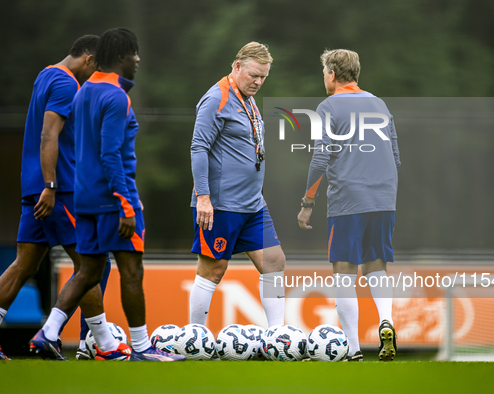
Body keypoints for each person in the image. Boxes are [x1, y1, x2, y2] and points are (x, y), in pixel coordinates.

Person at [28, 28, 184, 362]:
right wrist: (126, 203)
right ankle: (142, 348)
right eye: (134, 53)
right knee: (131, 271)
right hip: (114, 201)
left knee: (87, 271)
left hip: (83, 200)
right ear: (120, 57)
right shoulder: (115, 96)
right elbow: (110, 154)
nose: (138, 59)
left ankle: (49, 332)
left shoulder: (84, 91)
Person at [0, 35, 111, 361]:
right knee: (89, 266)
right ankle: (103, 346)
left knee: (24, 264)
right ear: (88, 60)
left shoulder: (46, 74)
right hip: (58, 190)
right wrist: (51, 185)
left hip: (36, 188)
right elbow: (49, 134)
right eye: (99, 67)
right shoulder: (66, 85)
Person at [297, 49, 401, 362]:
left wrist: (308, 202)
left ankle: (353, 349)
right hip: (384, 198)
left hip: (348, 200)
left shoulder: (328, 106)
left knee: (344, 272)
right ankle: (386, 321)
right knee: (376, 266)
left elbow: (319, 159)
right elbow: (396, 157)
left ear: (331, 74)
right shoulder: (379, 104)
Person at [190, 42, 286, 329]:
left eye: (263, 77)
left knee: (274, 261)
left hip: (253, 203)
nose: (258, 82)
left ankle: (278, 337)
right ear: (237, 66)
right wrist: (204, 197)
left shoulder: (247, 97)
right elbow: (198, 147)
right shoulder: (216, 98)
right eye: (253, 75)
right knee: (213, 269)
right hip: (221, 203)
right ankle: (196, 336)